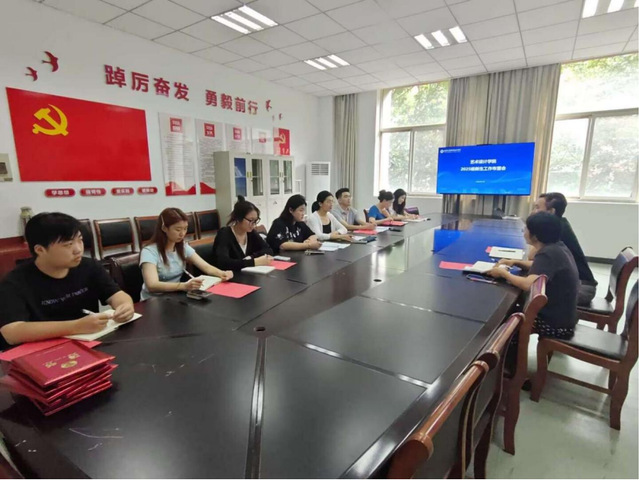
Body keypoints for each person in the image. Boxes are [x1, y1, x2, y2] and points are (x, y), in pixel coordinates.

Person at [0, 212, 135, 349]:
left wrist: (125, 306)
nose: (78, 249)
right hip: (44, 351)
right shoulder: (15, 282)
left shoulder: (89, 266)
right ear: (40, 250)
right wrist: (75, 326)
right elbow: (11, 332)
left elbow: (116, 294)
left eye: (80, 240)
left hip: (89, 344)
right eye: (68, 244)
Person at [487, 211, 579, 339]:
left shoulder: (548, 254)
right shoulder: (557, 247)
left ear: (535, 236)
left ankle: (508, 349)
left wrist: (504, 273)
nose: (523, 231)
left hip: (554, 325)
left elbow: (528, 285)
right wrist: (515, 262)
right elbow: (539, 266)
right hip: (564, 318)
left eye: (526, 229)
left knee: (505, 320)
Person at [140, 208, 232, 300]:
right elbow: (152, 285)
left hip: (173, 297)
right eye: (178, 229)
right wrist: (183, 286)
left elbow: (205, 267)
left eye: (185, 229)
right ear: (164, 228)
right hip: (152, 300)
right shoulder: (149, 252)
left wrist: (222, 273)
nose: (182, 234)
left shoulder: (182, 246)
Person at [531, 192, 598, 306]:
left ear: (551, 211)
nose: (533, 212)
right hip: (579, 284)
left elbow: (532, 256)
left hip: (583, 288)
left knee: (532, 293)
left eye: (537, 208)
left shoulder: (555, 230)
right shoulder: (561, 223)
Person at [211, 196, 274, 271]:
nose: (254, 224)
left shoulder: (251, 232)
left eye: (255, 221)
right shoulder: (224, 234)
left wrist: (251, 257)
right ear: (238, 218)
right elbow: (223, 263)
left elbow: (268, 250)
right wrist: (253, 262)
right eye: (250, 220)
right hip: (229, 276)